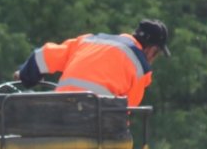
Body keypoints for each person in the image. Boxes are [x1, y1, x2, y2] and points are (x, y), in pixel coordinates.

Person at [15, 18, 171, 108]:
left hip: (59, 116)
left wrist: (25, 75)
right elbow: (125, 111)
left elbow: (46, 54)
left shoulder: (89, 41)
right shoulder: (141, 68)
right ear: (152, 51)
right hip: (96, 130)